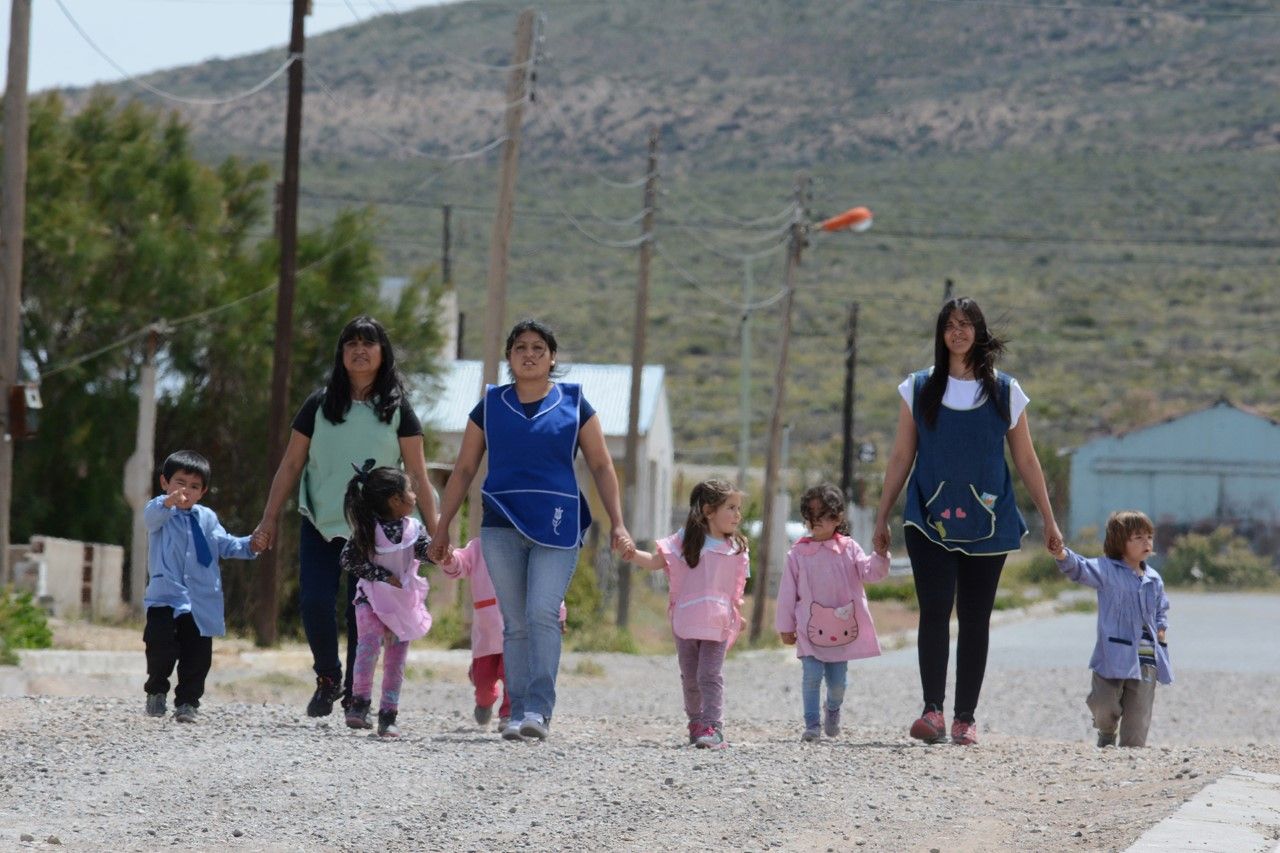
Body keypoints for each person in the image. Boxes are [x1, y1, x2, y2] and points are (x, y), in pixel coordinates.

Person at [872, 296, 1063, 746]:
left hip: (990, 522)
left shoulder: (1005, 391)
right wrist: (882, 515)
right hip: (928, 519)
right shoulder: (917, 389)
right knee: (935, 611)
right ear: (941, 335)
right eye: (950, 325)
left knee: (976, 619)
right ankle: (932, 712)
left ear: (979, 332)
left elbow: (1028, 460)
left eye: (966, 324)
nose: (958, 332)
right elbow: (902, 455)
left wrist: (1050, 521)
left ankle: (965, 718)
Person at [428, 319, 630, 742]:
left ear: (552, 358)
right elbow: (464, 468)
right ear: (509, 358)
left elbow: (601, 464)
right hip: (501, 521)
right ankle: (516, 711)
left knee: (542, 612)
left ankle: (539, 707)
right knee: (515, 621)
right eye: (520, 347)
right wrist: (442, 527)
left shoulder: (575, 403)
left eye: (539, 347)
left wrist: (619, 523)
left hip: (557, 523)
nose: (530, 354)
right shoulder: (490, 405)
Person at [254, 316, 438, 718]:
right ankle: (327, 678)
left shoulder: (397, 410)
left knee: (364, 613)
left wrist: (437, 532)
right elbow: (290, 465)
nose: (359, 350)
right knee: (315, 602)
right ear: (341, 354)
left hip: (374, 532)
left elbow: (419, 475)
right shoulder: (318, 405)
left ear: (382, 353)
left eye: (368, 343)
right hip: (320, 521)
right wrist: (268, 519)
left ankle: (358, 694)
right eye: (351, 343)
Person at [620, 479, 749, 749]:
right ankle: (696, 722)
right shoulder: (683, 541)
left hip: (717, 622)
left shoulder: (735, 547)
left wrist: (738, 611)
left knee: (709, 675)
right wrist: (632, 555)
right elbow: (657, 562)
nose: (737, 514)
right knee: (690, 678)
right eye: (731, 508)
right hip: (687, 622)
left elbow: (735, 585)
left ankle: (713, 725)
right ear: (708, 511)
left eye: (738, 508)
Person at [143, 450, 265, 722]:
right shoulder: (159, 512)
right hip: (164, 598)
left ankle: (188, 702)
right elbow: (150, 517)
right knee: (160, 648)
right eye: (179, 483)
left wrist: (251, 544)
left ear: (203, 491)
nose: (185, 490)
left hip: (199, 602)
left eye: (194, 486)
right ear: (164, 483)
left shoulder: (207, 518)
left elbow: (226, 544)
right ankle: (156, 692)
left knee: (197, 657)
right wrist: (167, 503)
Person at [776, 484, 890, 742]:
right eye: (809, 514)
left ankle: (833, 709)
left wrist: (881, 554)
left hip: (841, 633)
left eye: (821, 514)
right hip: (809, 629)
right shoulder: (798, 553)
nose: (814, 520)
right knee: (812, 676)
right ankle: (812, 725)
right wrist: (786, 626)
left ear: (837, 518)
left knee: (838, 684)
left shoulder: (849, 549)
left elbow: (871, 572)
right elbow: (786, 593)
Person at [1051, 510, 1172, 747]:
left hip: (1146, 659)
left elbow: (1161, 608)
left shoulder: (1154, 578)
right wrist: (1062, 554)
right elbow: (1080, 568)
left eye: (1149, 536)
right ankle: (1106, 733)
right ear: (1120, 542)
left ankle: (1130, 756)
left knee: (1138, 718)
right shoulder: (1106, 570)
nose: (1146, 541)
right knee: (1104, 706)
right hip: (1112, 655)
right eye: (1137, 537)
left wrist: (1161, 629)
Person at [336, 462, 433, 738]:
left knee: (395, 660)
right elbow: (348, 559)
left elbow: (425, 552)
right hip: (370, 599)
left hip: (402, 604)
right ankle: (359, 705)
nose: (415, 496)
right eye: (411, 490)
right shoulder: (367, 529)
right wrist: (379, 575)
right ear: (395, 500)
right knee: (367, 648)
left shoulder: (414, 529)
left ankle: (388, 716)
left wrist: (439, 553)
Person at [438, 536, 567, 733]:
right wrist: (449, 558)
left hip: (517, 629)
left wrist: (558, 613)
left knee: (513, 675)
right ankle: (485, 701)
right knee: (482, 680)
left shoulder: (532, 546)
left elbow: (545, 587)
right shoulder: (480, 545)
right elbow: (460, 564)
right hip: (487, 632)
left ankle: (509, 714)